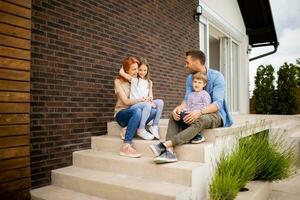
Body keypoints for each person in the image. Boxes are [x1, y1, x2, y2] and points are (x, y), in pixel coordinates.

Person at [150, 50, 233, 164]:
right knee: (175, 115)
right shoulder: (190, 78)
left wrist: (199, 112)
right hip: (196, 110)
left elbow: (217, 104)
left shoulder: (217, 77)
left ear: (197, 62)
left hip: (216, 114)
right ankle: (169, 152)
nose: (186, 65)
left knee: (201, 118)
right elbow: (187, 100)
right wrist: (178, 108)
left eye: (187, 62)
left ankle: (166, 144)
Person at [114, 56, 159, 158]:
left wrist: (149, 98)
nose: (136, 71)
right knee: (138, 111)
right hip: (123, 113)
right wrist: (142, 100)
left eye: (137, 69)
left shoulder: (139, 81)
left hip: (137, 110)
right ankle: (126, 145)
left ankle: (129, 128)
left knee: (154, 110)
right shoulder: (118, 82)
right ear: (126, 70)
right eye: (133, 69)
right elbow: (125, 101)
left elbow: (149, 95)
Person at [119, 57, 164, 140]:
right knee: (147, 105)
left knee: (160, 102)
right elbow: (121, 72)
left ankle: (154, 126)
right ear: (137, 70)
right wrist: (124, 65)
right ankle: (141, 129)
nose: (142, 72)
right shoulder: (134, 79)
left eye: (145, 70)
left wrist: (150, 100)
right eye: (140, 70)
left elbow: (151, 96)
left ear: (147, 70)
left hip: (145, 103)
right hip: (135, 106)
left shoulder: (149, 82)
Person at [177, 72, 211, 144]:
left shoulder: (204, 94)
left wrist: (198, 112)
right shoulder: (191, 95)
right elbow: (189, 106)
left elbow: (206, 106)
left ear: (204, 84)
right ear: (192, 83)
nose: (197, 84)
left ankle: (198, 136)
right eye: (195, 82)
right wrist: (183, 110)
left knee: (188, 117)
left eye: (199, 82)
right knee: (181, 115)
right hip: (190, 113)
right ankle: (191, 135)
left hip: (199, 114)